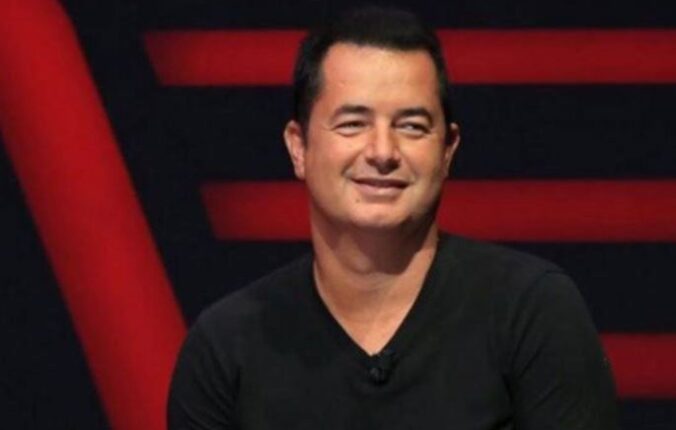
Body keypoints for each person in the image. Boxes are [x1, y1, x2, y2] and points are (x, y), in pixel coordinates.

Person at [168, 6, 619, 429]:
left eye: (411, 126)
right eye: (352, 123)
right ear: (298, 147)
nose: (383, 152)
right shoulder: (225, 348)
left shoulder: (532, 312)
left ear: (448, 150)